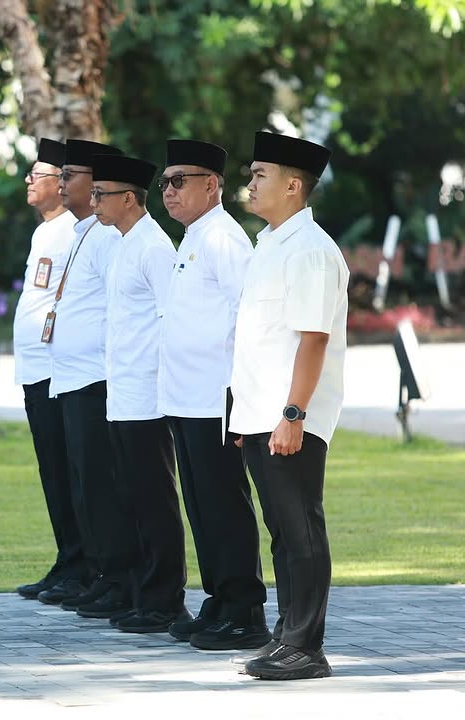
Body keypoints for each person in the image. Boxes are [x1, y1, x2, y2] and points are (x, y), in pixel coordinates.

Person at [230, 131, 348, 680]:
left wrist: (293, 414)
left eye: (260, 175)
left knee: (300, 527)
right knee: (280, 527)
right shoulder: (269, 242)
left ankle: (306, 645)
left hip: (291, 416)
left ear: (294, 186)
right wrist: (246, 416)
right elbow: (259, 337)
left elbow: (313, 339)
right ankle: (287, 634)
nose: (250, 184)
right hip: (262, 413)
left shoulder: (312, 250)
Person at [155, 139, 271, 651]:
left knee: (224, 502)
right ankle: (220, 599)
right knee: (201, 505)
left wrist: (240, 390)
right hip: (185, 397)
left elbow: (248, 316)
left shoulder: (223, 237)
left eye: (180, 181)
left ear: (212, 185)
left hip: (215, 397)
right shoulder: (194, 236)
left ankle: (245, 609)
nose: (169, 191)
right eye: (164, 183)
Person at [37, 138, 138, 622]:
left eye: (71, 174)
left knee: (102, 483)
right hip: (71, 377)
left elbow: (121, 310)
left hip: (97, 377)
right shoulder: (82, 231)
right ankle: (98, 572)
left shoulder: (107, 235)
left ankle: (117, 577)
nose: (62, 181)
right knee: (82, 483)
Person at [90, 152, 191, 634]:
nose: (94, 203)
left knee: (154, 499)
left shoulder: (153, 245)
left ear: (128, 198)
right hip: (122, 390)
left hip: (148, 394)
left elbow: (172, 318)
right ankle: (139, 592)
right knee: (129, 496)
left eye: (100, 195)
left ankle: (164, 599)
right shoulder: (121, 243)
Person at [13, 138, 87, 600]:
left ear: (60, 185)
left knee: (68, 470)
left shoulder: (72, 231)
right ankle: (67, 558)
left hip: (56, 370)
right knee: (52, 472)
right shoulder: (46, 231)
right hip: (34, 369)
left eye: (37, 175)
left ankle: (82, 563)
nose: (28, 181)